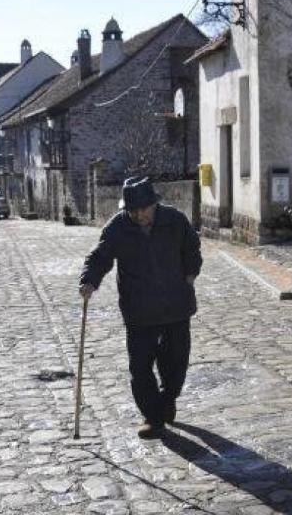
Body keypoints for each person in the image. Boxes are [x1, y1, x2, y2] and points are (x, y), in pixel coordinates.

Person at [79, 176, 202, 439]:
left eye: (143, 209)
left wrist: (190, 274)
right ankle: (152, 416)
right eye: (132, 210)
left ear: (154, 205)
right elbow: (100, 256)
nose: (138, 214)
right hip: (139, 309)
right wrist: (89, 280)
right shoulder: (118, 227)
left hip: (175, 305)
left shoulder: (174, 220)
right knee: (140, 367)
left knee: (176, 362)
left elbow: (192, 247)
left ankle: (168, 399)